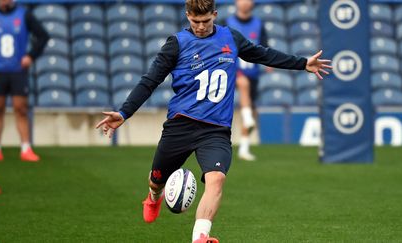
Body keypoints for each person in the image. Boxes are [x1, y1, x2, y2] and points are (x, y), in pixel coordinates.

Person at [96, 0, 331, 242]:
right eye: (195, 21)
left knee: (216, 179)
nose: (200, 26)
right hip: (181, 125)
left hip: (216, 130)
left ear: (215, 15)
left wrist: (302, 63)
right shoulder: (176, 44)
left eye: (205, 21)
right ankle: (153, 197)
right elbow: (149, 81)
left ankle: (200, 237)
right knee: (157, 179)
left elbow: (263, 54)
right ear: (187, 16)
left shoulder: (231, 38)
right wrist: (124, 113)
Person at [0, 0, 49, 165]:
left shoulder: (24, 15)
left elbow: (43, 36)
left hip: (18, 71)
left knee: (21, 108)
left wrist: (31, 56)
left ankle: (25, 148)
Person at [226, 0, 268, 161]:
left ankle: (244, 147)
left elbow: (264, 47)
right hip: (233, 69)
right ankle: (248, 116)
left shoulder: (258, 24)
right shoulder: (228, 23)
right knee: (243, 84)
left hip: (253, 71)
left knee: (252, 108)